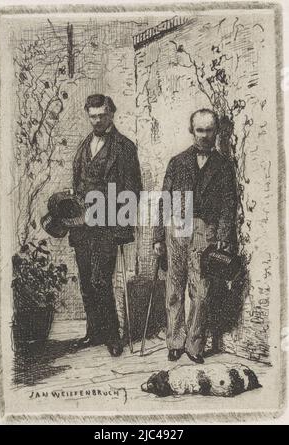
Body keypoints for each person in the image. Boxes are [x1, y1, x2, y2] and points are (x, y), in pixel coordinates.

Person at [153, 108, 237, 364]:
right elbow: (164, 201)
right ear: (192, 131)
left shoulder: (223, 166)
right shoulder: (177, 162)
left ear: (216, 132)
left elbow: (228, 204)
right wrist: (158, 236)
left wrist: (222, 234)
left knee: (201, 292)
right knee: (174, 289)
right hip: (177, 228)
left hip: (205, 231)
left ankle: (195, 346)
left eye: (209, 130)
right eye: (199, 130)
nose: (204, 135)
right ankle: (175, 342)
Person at [63, 94, 142, 357]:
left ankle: (112, 336)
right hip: (82, 226)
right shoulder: (84, 145)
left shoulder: (125, 147)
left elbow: (133, 190)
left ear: (111, 114)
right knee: (86, 281)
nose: (97, 120)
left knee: (100, 280)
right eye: (92, 116)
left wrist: (122, 228)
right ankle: (94, 332)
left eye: (101, 115)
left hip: (108, 226)